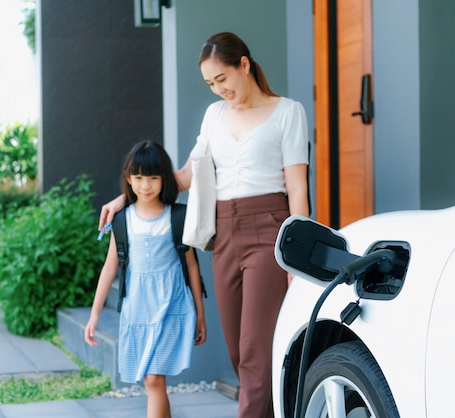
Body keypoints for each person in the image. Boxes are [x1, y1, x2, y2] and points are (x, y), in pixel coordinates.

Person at [98, 32, 309, 418]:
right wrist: (125, 200)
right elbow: (182, 176)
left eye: (222, 79)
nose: (218, 90)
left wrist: (297, 255)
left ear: (243, 65)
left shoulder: (287, 112)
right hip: (224, 233)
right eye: (211, 84)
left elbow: (297, 187)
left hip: (270, 230)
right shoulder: (214, 116)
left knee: (255, 350)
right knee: (237, 350)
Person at [85, 140, 207, 418]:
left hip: (172, 306)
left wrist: (200, 315)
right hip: (138, 309)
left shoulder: (176, 217)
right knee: (152, 381)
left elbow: (192, 268)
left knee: (154, 379)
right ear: (128, 179)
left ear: (165, 178)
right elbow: (109, 268)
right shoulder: (122, 219)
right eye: (138, 178)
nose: (146, 185)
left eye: (153, 177)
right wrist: (94, 315)